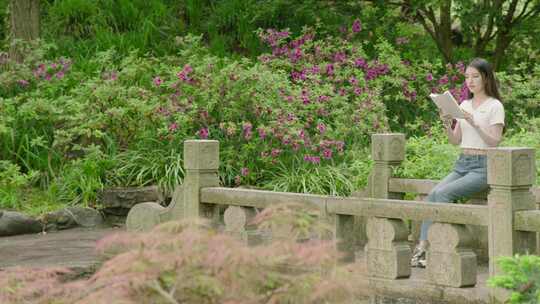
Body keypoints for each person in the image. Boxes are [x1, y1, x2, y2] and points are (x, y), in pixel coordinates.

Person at [410, 58, 505, 268]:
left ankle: (436, 248)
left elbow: (495, 142)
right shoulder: (463, 104)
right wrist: (446, 122)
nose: (469, 81)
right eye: (467, 77)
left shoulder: (495, 106)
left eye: (475, 76)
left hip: (482, 167)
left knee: (444, 194)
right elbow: (455, 140)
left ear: (486, 78)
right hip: (463, 163)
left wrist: (474, 123)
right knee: (434, 194)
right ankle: (422, 247)